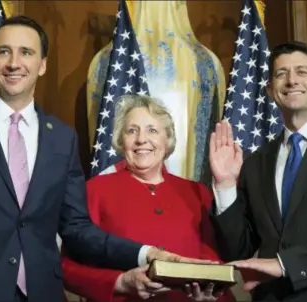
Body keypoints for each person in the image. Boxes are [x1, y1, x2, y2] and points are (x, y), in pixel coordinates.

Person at [0, 16, 198, 302]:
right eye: (3, 52)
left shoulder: (62, 139)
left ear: (42, 64)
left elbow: (78, 230)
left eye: (26, 52)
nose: (14, 63)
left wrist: (146, 254)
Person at [62, 95, 234, 302]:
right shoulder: (94, 190)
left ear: (167, 139)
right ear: (120, 140)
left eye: (152, 130)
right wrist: (120, 282)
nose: (141, 139)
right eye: (132, 130)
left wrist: (212, 293)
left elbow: (213, 258)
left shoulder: (196, 192)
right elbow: (66, 267)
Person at [209, 41, 307, 301]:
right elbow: (237, 250)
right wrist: (226, 185)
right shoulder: (256, 162)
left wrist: (284, 264)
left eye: (302, 72)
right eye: (281, 74)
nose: (291, 80)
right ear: (271, 90)